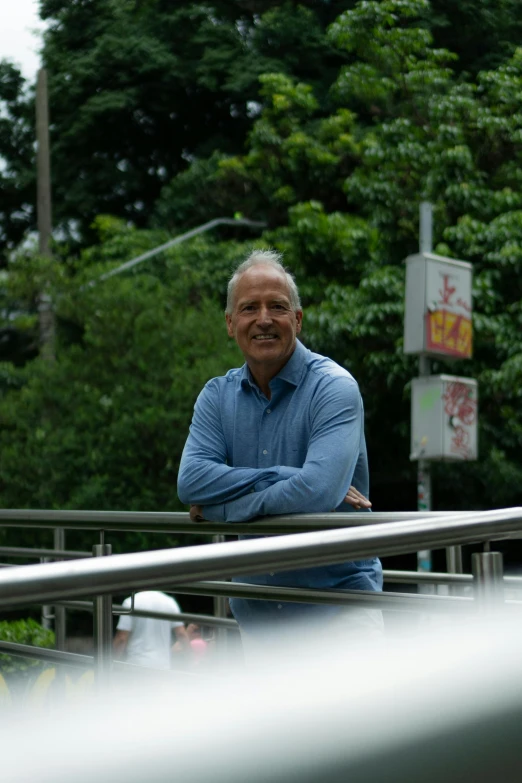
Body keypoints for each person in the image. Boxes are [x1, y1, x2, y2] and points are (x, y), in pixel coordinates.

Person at [177, 249, 383, 647]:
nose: (264, 319)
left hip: (339, 617)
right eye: (249, 307)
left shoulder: (334, 387)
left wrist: (220, 510)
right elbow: (190, 482)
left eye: (277, 306)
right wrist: (289, 475)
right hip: (258, 618)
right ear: (230, 323)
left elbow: (319, 491)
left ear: (298, 319)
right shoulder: (216, 396)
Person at [113, 590, 189, 669]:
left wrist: (110, 663)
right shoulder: (169, 602)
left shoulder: (130, 602)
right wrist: (190, 661)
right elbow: (181, 634)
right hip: (162, 666)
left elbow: (121, 638)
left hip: (137, 664)